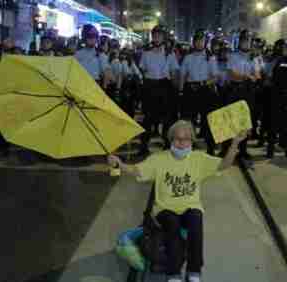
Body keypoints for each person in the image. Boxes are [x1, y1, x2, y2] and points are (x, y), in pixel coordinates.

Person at [107, 120, 248, 282]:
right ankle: (174, 274)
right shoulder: (159, 159)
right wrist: (119, 163)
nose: (182, 143)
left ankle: (194, 271)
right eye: (177, 139)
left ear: (191, 141)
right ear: (171, 139)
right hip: (165, 209)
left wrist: (235, 143)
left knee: (196, 218)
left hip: (190, 207)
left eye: (186, 139)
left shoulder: (199, 159)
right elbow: (136, 170)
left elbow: (224, 165)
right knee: (172, 223)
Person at [137, 24, 179, 156]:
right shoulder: (146, 52)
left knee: (167, 118)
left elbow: (174, 71)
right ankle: (143, 146)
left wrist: (175, 87)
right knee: (148, 118)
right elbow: (142, 69)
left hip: (164, 86)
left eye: (159, 35)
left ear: (163, 37)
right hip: (150, 86)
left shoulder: (169, 53)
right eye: (154, 35)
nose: (156, 38)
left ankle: (167, 144)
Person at [179, 29, 219, 155]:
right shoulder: (188, 57)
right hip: (190, 90)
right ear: (193, 42)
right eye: (197, 41)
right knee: (189, 120)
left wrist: (202, 83)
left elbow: (215, 77)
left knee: (207, 121)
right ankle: (188, 145)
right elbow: (182, 75)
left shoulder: (210, 57)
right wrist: (181, 91)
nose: (199, 43)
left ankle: (210, 148)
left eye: (201, 41)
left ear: (205, 42)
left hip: (205, 91)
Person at [220, 29, 258, 161]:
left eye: (248, 41)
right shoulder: (233, 56)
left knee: (245, 122)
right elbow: (232, 74)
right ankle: (225, 149)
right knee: (230, 121)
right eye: (244, 41)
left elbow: (257, 75)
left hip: (248, 92)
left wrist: (248, 77)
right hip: (234, 90)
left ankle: (242, 150)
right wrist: (247, 76)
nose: (246, 44)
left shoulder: (254, 57)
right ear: (239, 42)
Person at [74, 24, 112, 90]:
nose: (93, 39)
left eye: (95, 36)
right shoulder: (77, 54)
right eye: (90, 36)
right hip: (79, 86)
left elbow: (107, 73)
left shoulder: (100, 54)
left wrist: (104, 89)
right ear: (84, 37)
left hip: (95, 87)